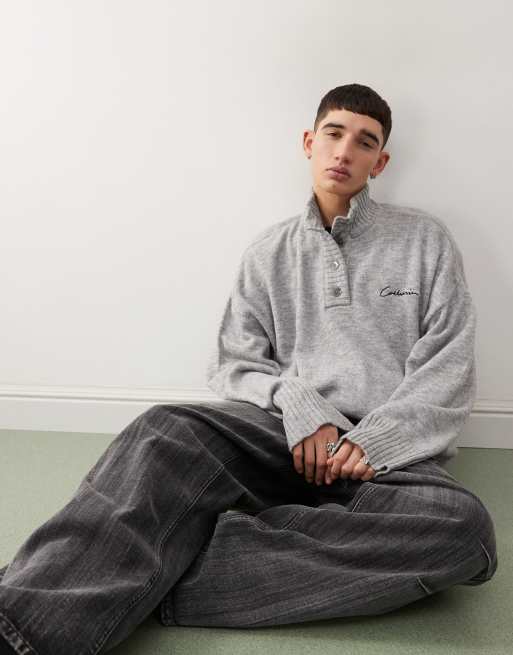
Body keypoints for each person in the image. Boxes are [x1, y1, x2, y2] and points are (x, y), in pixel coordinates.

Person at [0, 83, 498, 654]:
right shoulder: (268, 251)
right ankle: (23, 630)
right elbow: (235, 360)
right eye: (333, 134)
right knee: (166, 430)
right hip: (286, 439)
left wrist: (379, 440)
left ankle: (138, 566)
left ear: (379, 162)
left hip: (389, 463)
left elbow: (449, 361)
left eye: (365, 142)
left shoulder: (424, 240)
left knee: (464, 531)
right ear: (309, 142)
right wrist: (300, 405)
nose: (344, 151)